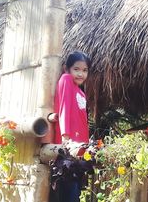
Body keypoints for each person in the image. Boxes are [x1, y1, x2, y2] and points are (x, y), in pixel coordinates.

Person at [52, 51, 91, 202]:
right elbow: (64, 108)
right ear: (66, 68)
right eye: (76, 69)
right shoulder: (66, 79)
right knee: (70, 192)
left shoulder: (81, 92)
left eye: (85, 70)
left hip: (80, 148)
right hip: (68, 146)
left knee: (75, 191)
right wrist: (66, 139)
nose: (81, 74)